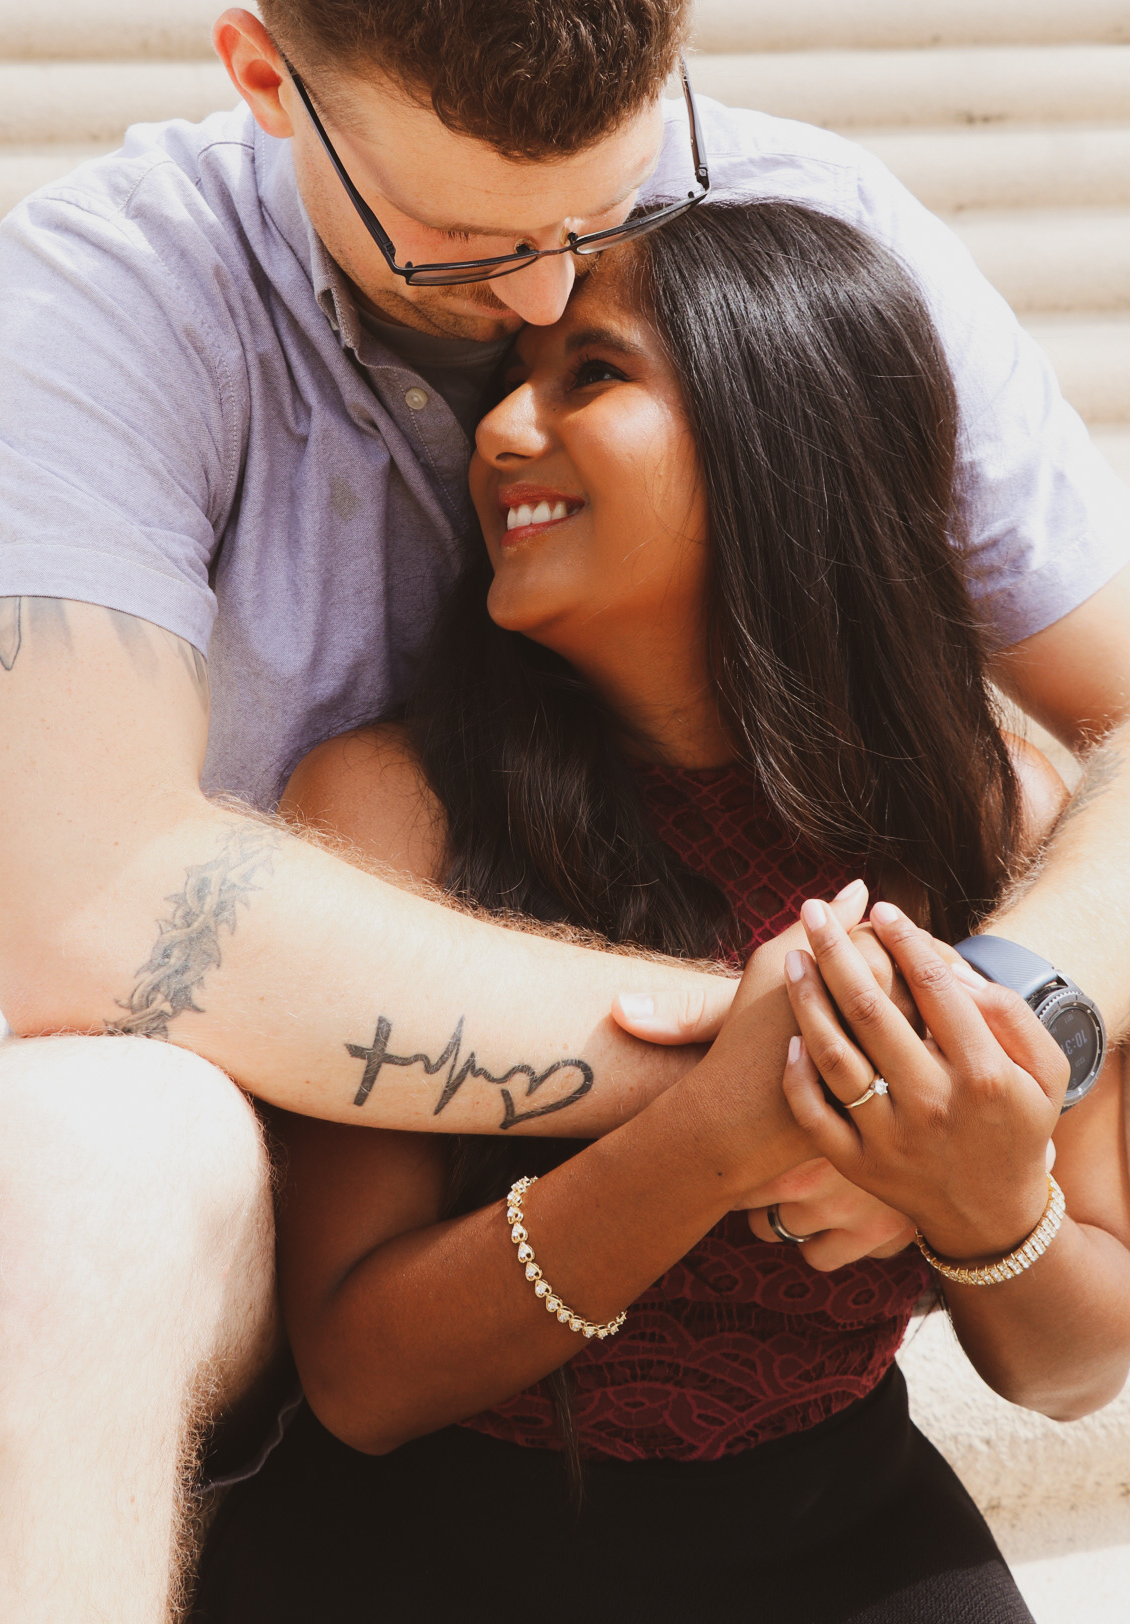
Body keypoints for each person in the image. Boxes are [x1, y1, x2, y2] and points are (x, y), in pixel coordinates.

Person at [0, 0, 1130, 1619]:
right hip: (310, 1185)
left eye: (610, 214)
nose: (539, 297)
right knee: (62, 1150)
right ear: (266, 80)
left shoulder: (806, 234)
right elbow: (91, 908)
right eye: (464, 241)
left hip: (798, 1384)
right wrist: (784, 1063)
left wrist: (983, 1048)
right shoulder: (126, 281)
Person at [193, 203, 1130, 1624]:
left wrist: (985, 1203)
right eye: (511, 379)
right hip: (434, 1552)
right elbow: (362, 1380)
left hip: (840, 1531)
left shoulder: (999, 822)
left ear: (780, 431)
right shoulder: (392, 808)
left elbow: (1077, 1369)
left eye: (592, 374)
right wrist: (703, 1143)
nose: (500, 430)